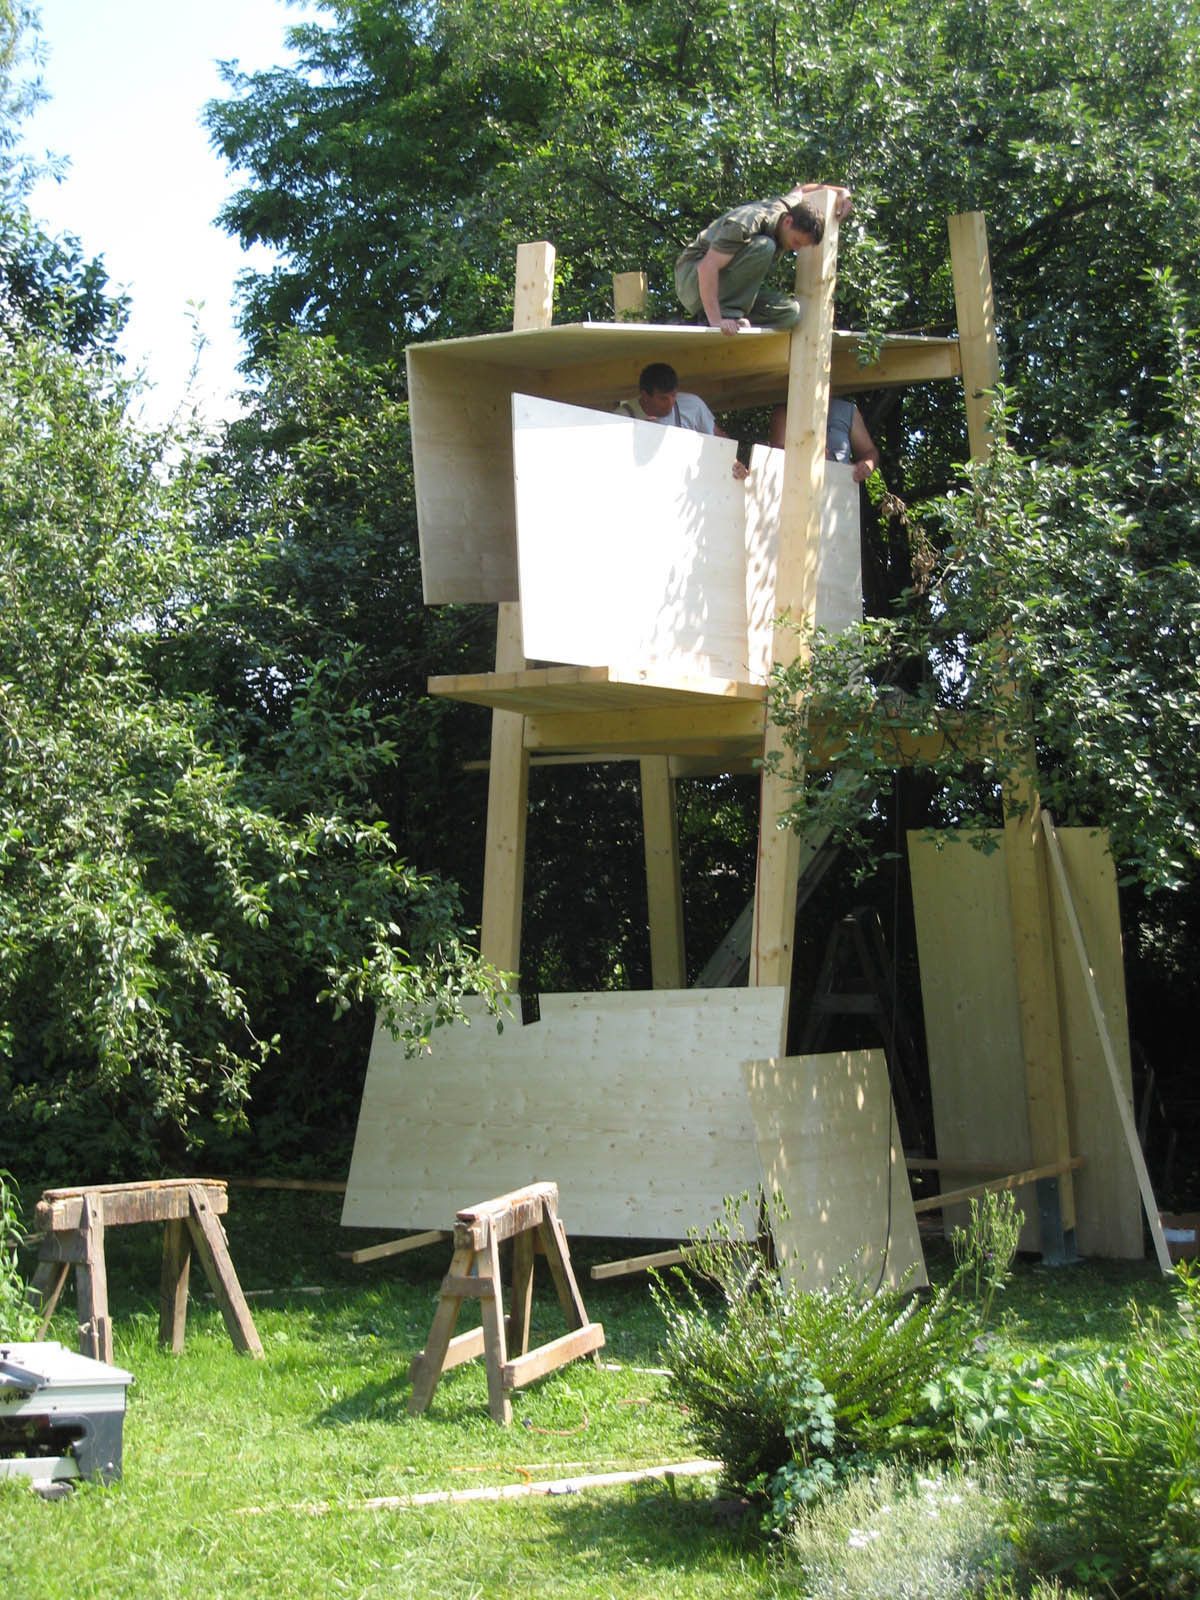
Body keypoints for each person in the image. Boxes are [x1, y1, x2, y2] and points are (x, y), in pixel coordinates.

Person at [674, 183, 853, 335]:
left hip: (723, 293)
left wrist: (842, 192)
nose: (796, 249)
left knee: (790, 314)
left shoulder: (789, 206)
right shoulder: (746, 223)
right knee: (765, 246)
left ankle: (731, 318)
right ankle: (715, 317)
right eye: (796, 242)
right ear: (788, 222)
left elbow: (801, 189)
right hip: (691, 281)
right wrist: (716, 322)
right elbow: (707, 267)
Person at [616, 362, 749, 479]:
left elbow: (721, 442)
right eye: (663, 398)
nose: (670, 403)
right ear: (645, 395)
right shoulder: (621, 418)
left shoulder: (692, 405)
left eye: (673, 395)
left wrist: (735, 465)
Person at [769, 397, 880, 482]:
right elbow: (778, 455)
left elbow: (870, 452)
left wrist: (867, 465)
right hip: (798, 487)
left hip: (841, 490)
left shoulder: (847, 410)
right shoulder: (785, 410)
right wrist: (806, 454)